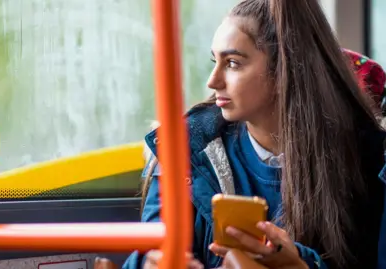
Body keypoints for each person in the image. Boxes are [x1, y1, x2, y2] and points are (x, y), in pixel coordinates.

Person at [123, 0, 386, 268]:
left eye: (233, 63)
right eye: (215, 61)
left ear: (286, 70)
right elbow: (150, 252)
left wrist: (300, 265)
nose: (212, 82)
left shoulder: (368, 161)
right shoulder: (185, 151)